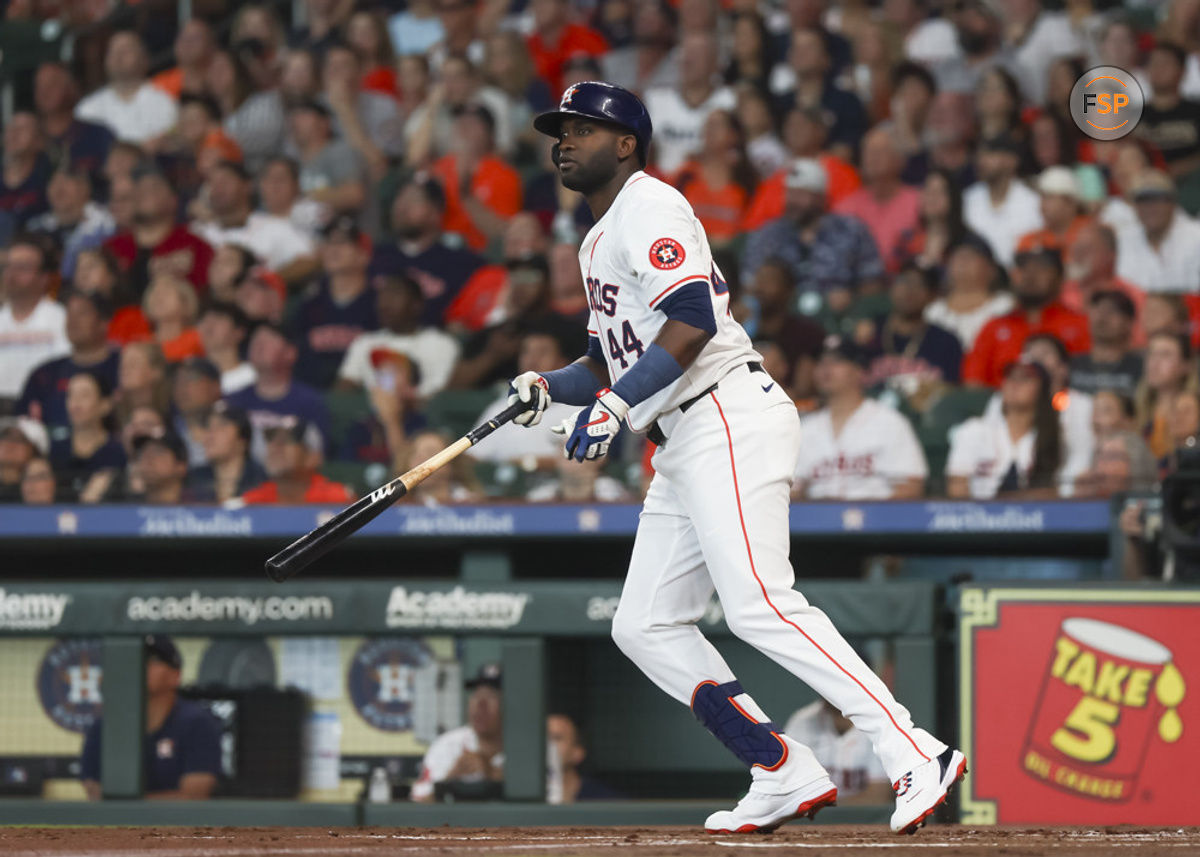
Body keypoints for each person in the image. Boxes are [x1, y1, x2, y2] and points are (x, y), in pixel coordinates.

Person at [512, 81, 962, 835]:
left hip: (724, 409)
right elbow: (603, 361)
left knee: (758, 601)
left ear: (626, 143)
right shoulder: (595, 238)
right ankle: (780, 765)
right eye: (559, 130)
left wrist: (616, 408)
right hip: (679, 441)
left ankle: (913, 745)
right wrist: (546, 388)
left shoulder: (650, 203)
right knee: (644, 622)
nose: (564, 140)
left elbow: (690, 320)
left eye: (582, 128)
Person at [81, 635, 221, 800]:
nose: (138, 665)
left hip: (178, 825)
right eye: (132, 658)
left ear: (175, 675)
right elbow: (95, 791)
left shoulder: (196, 722)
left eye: (151, 659)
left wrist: (128, 805)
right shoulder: (105, 725)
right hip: (119, 825)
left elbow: (193, 796)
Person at [793, 337, 928, 500]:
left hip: (876, 521)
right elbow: (791, 491)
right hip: (818, 520)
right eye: (821, 362)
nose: (826, 368)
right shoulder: (804, 428)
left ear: (859, 371)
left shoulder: (889, 422)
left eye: (837, 361)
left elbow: (911, 486)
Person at [741, 158, 885, 302]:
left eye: (801, 194)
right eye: (790, 193)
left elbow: (872, 283)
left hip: (839, 317)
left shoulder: (850, 230)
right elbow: (748, 284)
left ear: (821, 198)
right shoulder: (768, 234)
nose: (793, 201)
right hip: (780, 317)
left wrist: (852, 299)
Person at [962, 247, 1090, 388]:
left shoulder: (1080, 324)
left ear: (1059, 277)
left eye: (1041, 268)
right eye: (1023, 268)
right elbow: (973, 382)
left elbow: (1090, 377)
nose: (1030, 275)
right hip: (1001, 406)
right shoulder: (994, 326)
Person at [372, 175, 484, 327]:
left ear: (436, 211)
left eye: (414, 200)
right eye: (399, 198)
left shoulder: (462, 264)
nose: (402, 207)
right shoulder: (375, 256)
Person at [947, 358, 1064, 499]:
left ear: (1042, 388)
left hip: (1033, 517)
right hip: (980, 516)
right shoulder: (974, 430)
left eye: (1025, 379)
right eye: (1010, 377)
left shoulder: (1051, 436)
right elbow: (957, 486)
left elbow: (1055, 493)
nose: (1014, 384)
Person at [336, 272, 460, 400]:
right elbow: (345, 387)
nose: (384, 303)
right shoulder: (365, 342)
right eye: (382, 295)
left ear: (416, 305)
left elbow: (438, 397)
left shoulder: (440, 344)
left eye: (394, 295)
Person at [292, 216, 379, 390]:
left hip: (360, 397)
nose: (333, 249)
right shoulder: (309, 303)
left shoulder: (380, 304)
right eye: (329, 242)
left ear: (363, 255)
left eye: (343, 243)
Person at [191, 160, 316, 280]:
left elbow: (309, 260)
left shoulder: (273, 226)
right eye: (212, 183)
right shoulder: (196, 232)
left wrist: (267, 282)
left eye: (225, 181)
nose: (218, 188)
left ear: (247, 186)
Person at [225, 324, 331, 464]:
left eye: (268, 341)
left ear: (290, 353)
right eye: (255, 340)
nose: (258, 346)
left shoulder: (310, 402)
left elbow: (317, 455)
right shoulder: (233, 400)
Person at [104, 164, 214, 299]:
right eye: (137, 189)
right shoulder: (112, 248)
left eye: (153, 188)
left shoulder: (195, 246)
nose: (142, 193)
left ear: (173, 201)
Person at [17, 290, 119, 432]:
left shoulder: (122, 367)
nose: (73, 321)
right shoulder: (44, 373)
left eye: (82, 313)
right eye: (69, 314)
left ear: (104, 322)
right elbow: (22, 424)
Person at [429, 104, 523, 252]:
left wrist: (466, 195)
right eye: (459, 121)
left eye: (472, 123)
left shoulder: (504, 174)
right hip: (438, 250)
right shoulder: (437, 170)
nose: (463, 127)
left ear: (489, 134)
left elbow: (503, 233)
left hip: (481, 254)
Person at [866, 264, 963, 403]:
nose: (909, 290)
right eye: (903, 281)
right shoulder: (868, 332)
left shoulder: (946, 343)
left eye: (919, 284)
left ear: (933, 296)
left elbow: (950, 397)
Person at [643, 31, 736, 176]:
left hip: (709, 189)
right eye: (684, 54)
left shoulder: (730, 100)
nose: (688, 60)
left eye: (697, 55)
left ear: (715, 64)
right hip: (662, 186)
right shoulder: (655, 99)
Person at [411, 664, 505, 803]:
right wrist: (450, 779)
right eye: (477, 695)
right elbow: (418, 803)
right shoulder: (448, 744)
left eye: (492, 696)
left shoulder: (530, 748)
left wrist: (492, 774)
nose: (481, 704)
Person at [833, 127, 920, 272]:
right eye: (868, 153)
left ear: (900, 160)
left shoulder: (918, 202)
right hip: (860, 287)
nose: (873, 158)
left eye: (881, 152)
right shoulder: (845, 208)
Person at [74, 31, 179, 144]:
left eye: (126, 50)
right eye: (112, 51)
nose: (118, 56)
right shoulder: (87, 108)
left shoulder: (164, 101)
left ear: (144, 59)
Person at [0, 235, 69, 406]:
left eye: (22, 268)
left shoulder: (60, 318)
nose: (12, 274)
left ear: (44, 277)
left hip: (44, 406)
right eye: (8, 267)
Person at [784, 698, 893, 805]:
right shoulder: (802, 722)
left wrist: (825, 809)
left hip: (862, 821)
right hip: (811, 819)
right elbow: (788, 788)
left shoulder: (878, 723)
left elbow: (879, 796)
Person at [962, 134, 1042, 268]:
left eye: (990, 154)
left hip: (1018, 278)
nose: (982, 161)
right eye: (980, 156)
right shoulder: (969, 198)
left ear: (1012, 160)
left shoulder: (1032, 202)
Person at [1115, 170, 1200, 294]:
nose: (1150, 207)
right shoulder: (1122, 240)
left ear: (1172, 203)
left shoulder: (1196, 236)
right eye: (1142, 200)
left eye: (1157, 199)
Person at [923, 237, 1013, 352]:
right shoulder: (932, 311)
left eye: (971, 256)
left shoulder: (1006, 306)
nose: (962, 261)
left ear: (992, 269)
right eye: (956, 256)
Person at [26, 166, 115, 279]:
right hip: (48, 288)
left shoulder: (106, 223)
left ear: (84, 189)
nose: (58, 189)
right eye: (53, 183)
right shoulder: (35, 227)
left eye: (65, 183)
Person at [50, 371, 126, 503]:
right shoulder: (55, 450)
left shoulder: (119, 452)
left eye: (85, 395)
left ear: (105, 405)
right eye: (71, 395)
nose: (76, 403)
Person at [238, 418, 352, 505]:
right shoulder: (252, 501)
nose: (275, 447)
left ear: (312, 456)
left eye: (286, 440)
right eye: (270, 440)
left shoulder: (338, 498)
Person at [33, 62, 115, 179]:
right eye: (39, 86)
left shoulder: (99, 135)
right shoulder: (30, 142)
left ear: (71, 87)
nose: (44, 91)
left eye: (53, 84)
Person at [1139, 43, 1200, 179]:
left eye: (1165, 63)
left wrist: (1173, 171)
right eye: (1153, 63)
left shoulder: (1196, 112)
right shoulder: (1132, 115)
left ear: (1182, 71)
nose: (1158, 69)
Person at [1135, 332, 1198, 461]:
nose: (1155, 363)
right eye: (1151, 354)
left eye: (1165, 355)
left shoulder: (1194, 409)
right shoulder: (1134, 409)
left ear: (1185, 365)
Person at [188, 402, 266, 504]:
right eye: (207, 427)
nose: (209, 435)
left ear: (242, 441)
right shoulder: (193, 480)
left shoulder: (261, 482)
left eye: (221, 426)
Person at [1069, 291, 1143, 398]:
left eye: (1113, 311)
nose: (1103, 317)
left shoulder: (1141, 368)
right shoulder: (1071, 365)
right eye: (1098, 309)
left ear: (1128, 323)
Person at [546, 713, 622, 802]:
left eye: (556, 738)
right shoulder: (527, 797)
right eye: (541, 737)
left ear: (577, 753)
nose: (546, 744)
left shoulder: (605, 801)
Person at [196, 302, 256, 394]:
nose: (208, 324)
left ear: (239, 332)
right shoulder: (190, 375)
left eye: (218, 318)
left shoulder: (254, 376)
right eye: (202, 320)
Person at [172, 358, 223, 466]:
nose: (182, 387)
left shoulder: (237, 425)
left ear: (215, 386)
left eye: (192, 378)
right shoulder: (167, 431)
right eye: (177, 381)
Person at [128, 428, 193, 504]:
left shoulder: (202, 508)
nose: (148, 458)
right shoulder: (124, 508)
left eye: (158, 452)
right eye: (142, 452)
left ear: (181, 466)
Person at [0, 417, 50, 503]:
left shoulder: (38, 495)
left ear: (34, 450)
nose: (9, 444)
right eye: (4, 437)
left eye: (18, 440)